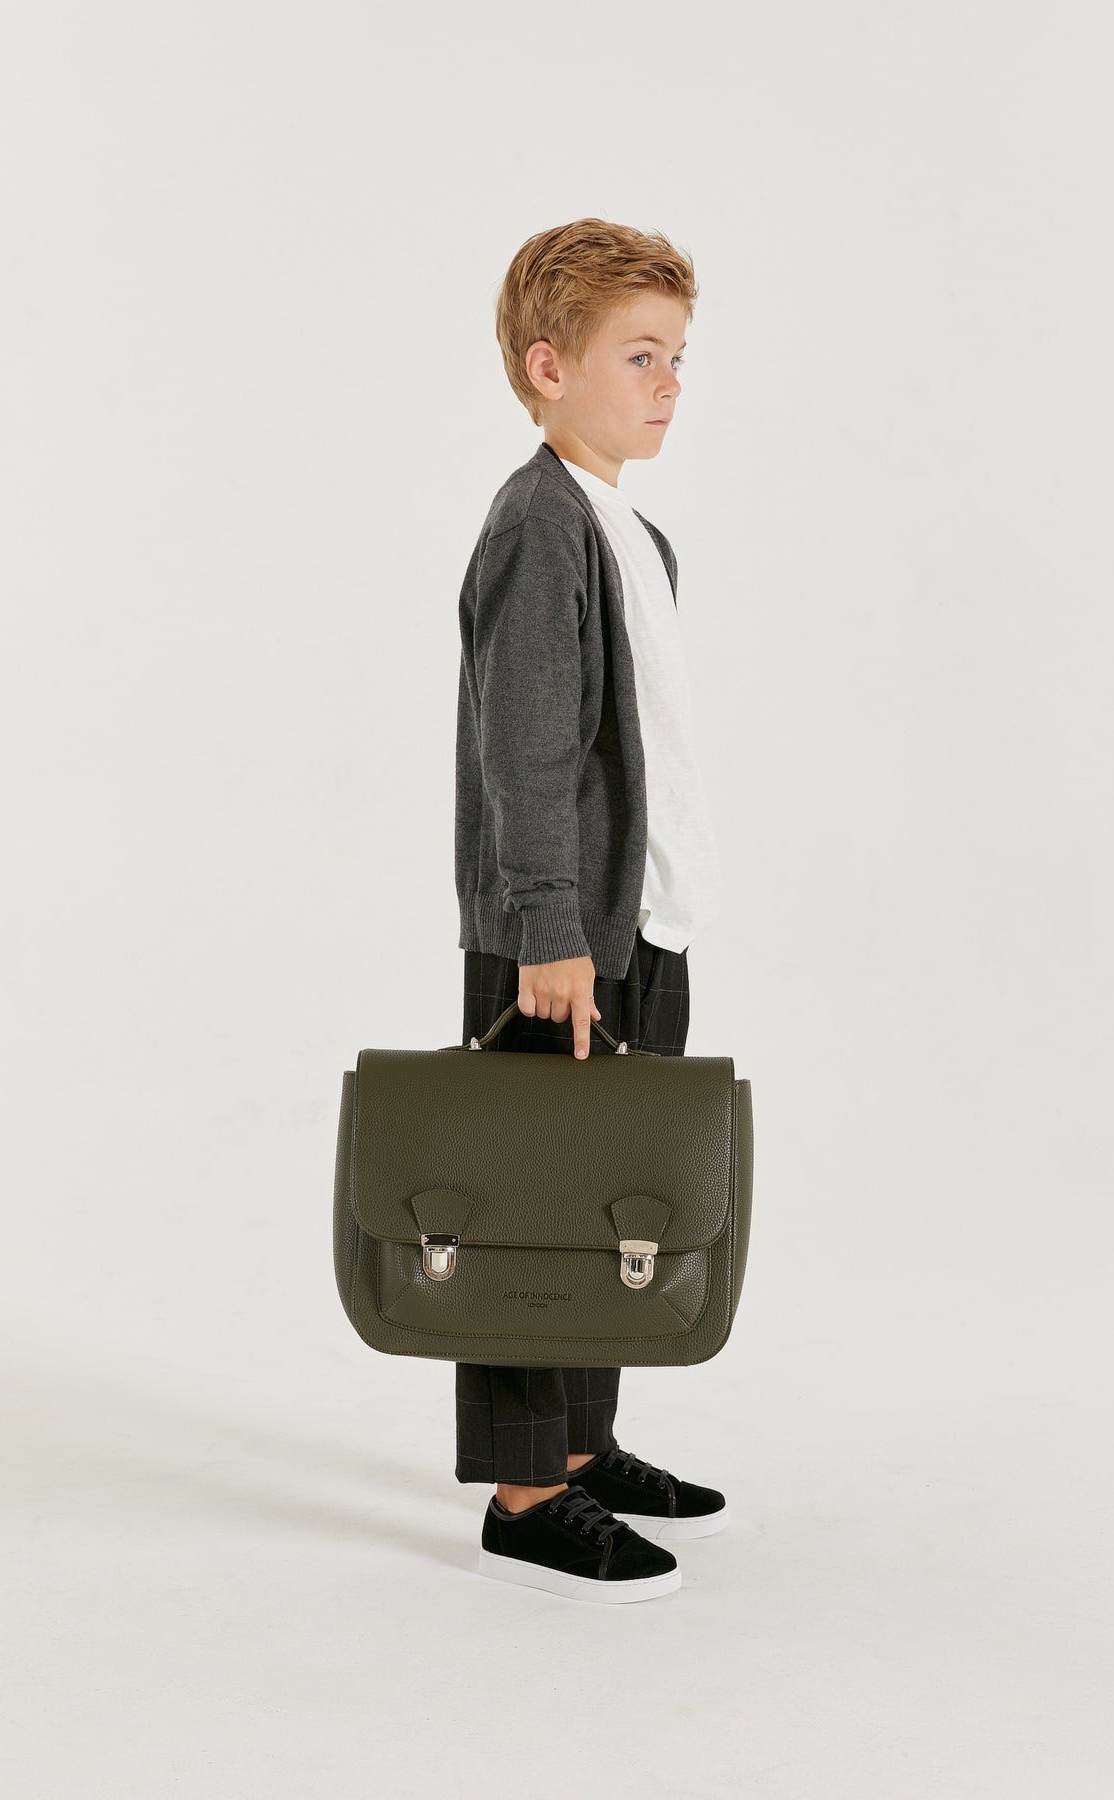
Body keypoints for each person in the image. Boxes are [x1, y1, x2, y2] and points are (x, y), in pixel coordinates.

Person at [452, 218, 725, 1604]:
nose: (669, 382)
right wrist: (548, 926)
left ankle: (582, 1443)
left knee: (616, 1196)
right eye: (639, 356)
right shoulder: (540, 523)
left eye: (678, 357)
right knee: (528, 1203)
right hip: (558, 937)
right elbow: (526, 747)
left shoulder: (636, 533)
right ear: (549, 368)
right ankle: (523, 1494)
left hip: (638, 925)